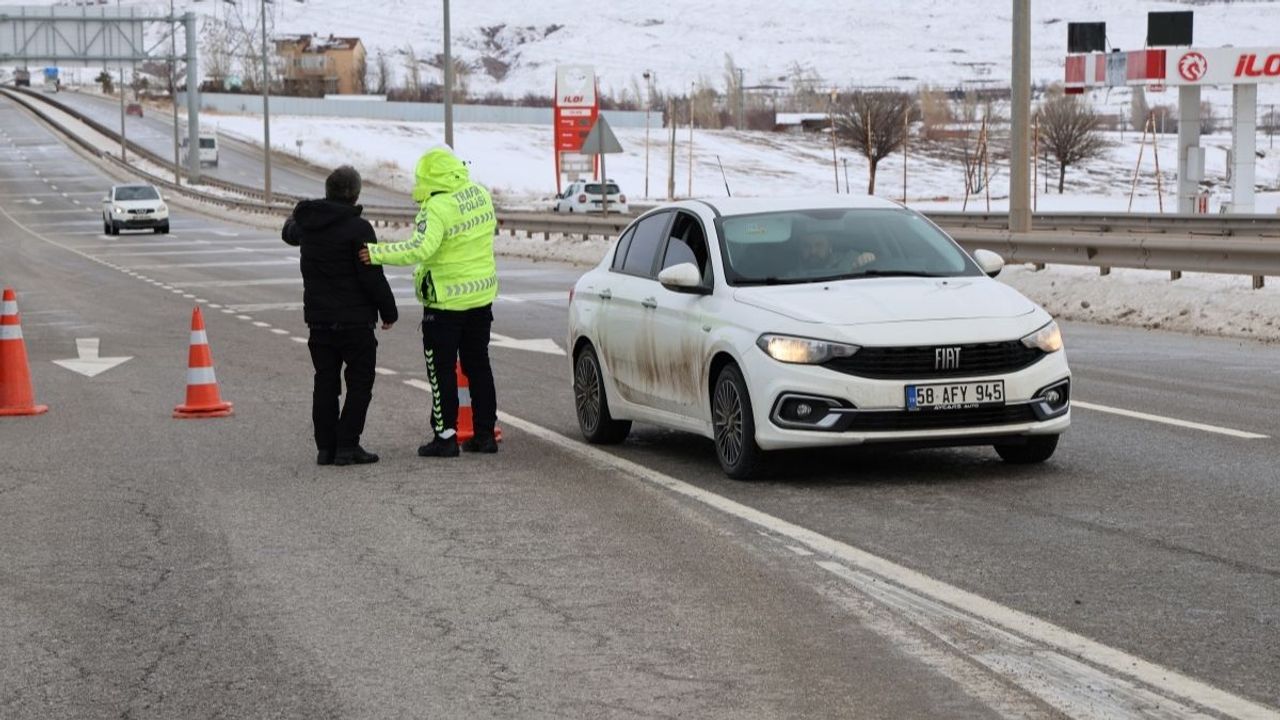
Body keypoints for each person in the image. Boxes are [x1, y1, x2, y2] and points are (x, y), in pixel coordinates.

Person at [359, 147, 500, 457]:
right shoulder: (479, 194)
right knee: (479, 366)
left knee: (442, 371)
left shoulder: (437, 206)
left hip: (446, 304)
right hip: (481, 298)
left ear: (430, 177)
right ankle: (485, 434)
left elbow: (420, 249)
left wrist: (377, 253)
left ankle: (446, 436)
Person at [283, 165, 398, 466]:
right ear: (355, 194)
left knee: (325, 382)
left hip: (319, 320)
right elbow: (371, 275)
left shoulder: (309, 224)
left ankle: (325, 448)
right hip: (355, 321)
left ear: (327, 190)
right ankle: (347, 445)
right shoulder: (359, 229)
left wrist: (298, 214)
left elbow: (288, 232)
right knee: (360, 383)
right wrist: (389, 310)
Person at [797, 231, 876, 274]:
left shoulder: (850, 259)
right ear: (800, 249)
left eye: (819, 245)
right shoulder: (788, 271)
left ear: (829, 247)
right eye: (806, 246)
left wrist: (867, 258)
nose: (813, 251)